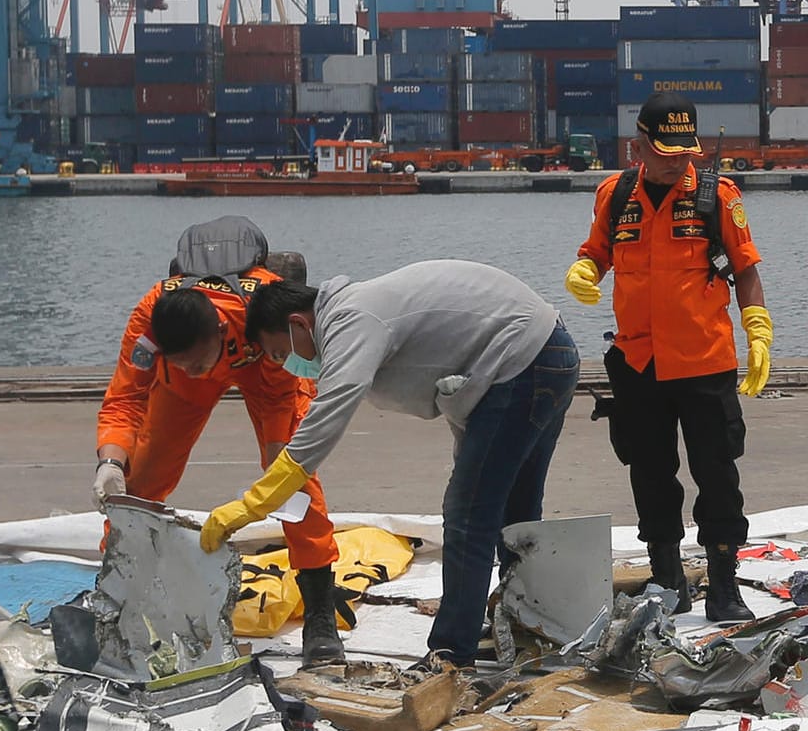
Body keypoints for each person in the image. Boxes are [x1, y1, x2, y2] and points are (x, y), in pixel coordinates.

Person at [199, 260, 579, 671]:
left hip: (526, 361)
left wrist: (252, 505)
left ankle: (452, 654)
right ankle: (529, 632)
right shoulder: (357, 311)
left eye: (280, 352)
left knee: (469, 515)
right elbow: (461, 387)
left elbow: (325, 419)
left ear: (298, 323)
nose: (285, 365)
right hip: (543, 355)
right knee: (514, 509)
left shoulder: (350, 320)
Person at [94, 217, 346, 666]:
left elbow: (279, 399)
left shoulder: (262, 311)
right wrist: (110, 463)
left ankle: (320, 613)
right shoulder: (149, 323)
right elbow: (125, 398)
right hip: (179, 391)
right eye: (182, 362)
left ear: (216, 334)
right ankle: (115, 593)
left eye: (196, 361)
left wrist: (275, 475)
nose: (194, 368)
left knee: (296, 484)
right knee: (141, 483)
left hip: (263, 367)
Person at [564, 92, 774, 623]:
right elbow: (597, 251)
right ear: (638, 147)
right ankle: (667, 578)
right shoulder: (614, 196)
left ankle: (724, 586)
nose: (679, 162)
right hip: (638, 365)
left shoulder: (717, 197)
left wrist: (758, 330)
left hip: (704, 362)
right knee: (651, 476)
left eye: (686, 152)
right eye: (666, 152)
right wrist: (584, 270)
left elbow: (745, 270)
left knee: (718, 476)